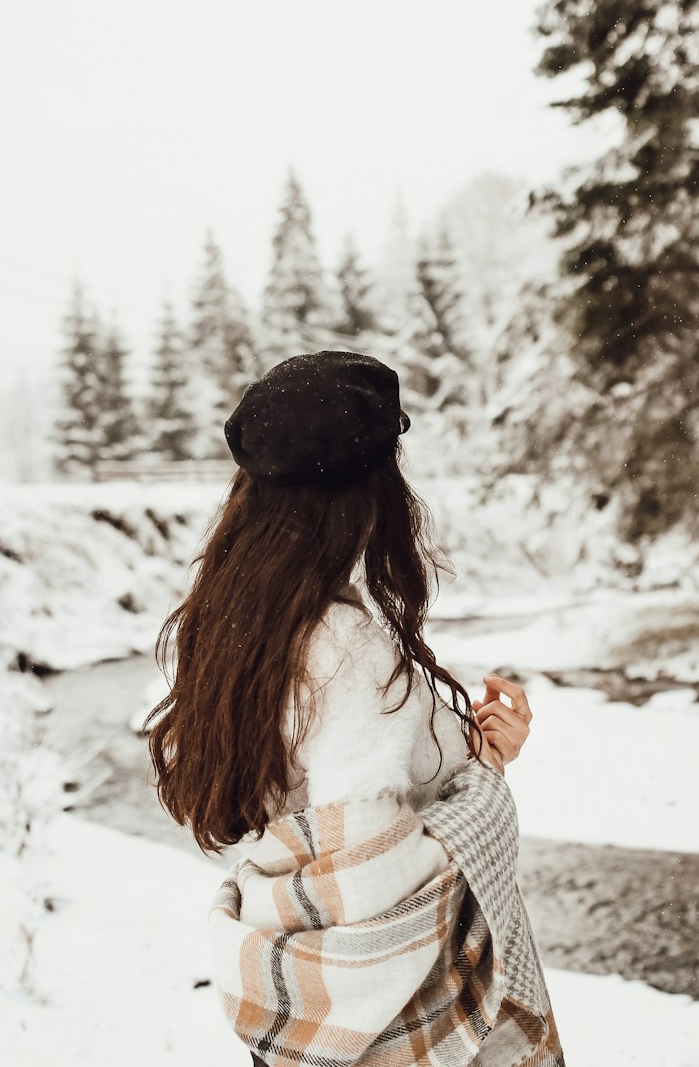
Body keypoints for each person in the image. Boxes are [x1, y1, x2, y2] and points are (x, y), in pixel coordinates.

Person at [144, 349, 561, 1067]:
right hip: (403, 1033)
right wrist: (484, 780)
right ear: (367, 490)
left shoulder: (231, 624)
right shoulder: (345, 651)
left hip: (310, 1021)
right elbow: (373, 883)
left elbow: (304, 817)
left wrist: (471, 748)